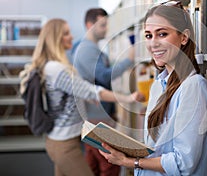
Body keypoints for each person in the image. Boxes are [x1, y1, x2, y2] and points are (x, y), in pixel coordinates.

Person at [99, 1, 207, 176]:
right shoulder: (158, 85)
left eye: (162, 34)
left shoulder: (193, 86)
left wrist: (129, 162)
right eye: (148, 36)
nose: (153, 44)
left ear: (184, 37)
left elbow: (183, 163)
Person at [27, 18, 144, 176]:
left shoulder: (55, 66)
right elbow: (90, 90)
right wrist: (128, 98)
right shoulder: (56, 68)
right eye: (66, 33)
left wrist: (83, 97)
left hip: (64, 139)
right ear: (55, 38)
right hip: (64, 143)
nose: (72, 37)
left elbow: (73, 92)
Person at [73, 8, 135, 176]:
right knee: (109, 165)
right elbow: (104, 75)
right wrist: (129, 60)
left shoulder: (86, 47)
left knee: (94, 164)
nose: (106, 29)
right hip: (97, 115)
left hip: (94, 114)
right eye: (102, 25)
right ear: (89, 25)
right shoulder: (87, 49)